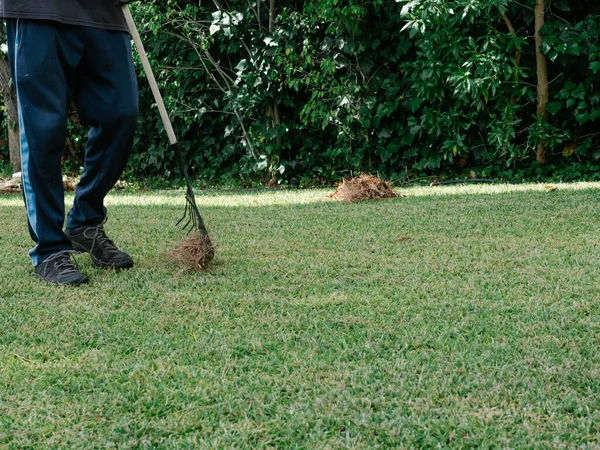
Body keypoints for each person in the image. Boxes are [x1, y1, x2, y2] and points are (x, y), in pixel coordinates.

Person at [0, 0, 139, 285]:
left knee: (120, 113)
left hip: (103, 11)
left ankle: (84, 221)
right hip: (38, 8)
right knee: (43, 131)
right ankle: (50, 249)